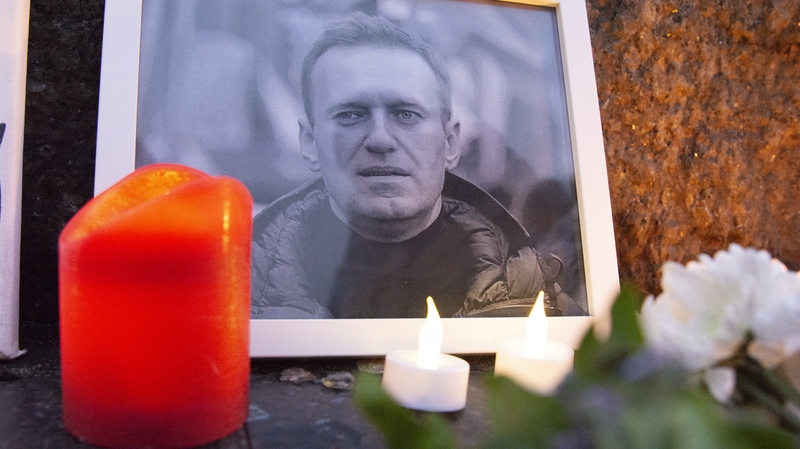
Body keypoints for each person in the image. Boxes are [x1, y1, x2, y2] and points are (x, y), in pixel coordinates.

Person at [251, 12, 582, 319]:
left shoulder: (539, 306)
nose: (380, 139)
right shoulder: (232, 297)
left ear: (450, 141)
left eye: (405, 114)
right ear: (309, 142)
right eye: (351, 114)